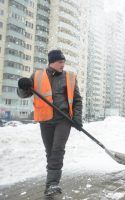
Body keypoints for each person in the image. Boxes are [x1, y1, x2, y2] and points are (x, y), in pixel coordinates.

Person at [17, 50, 83, 196]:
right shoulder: (38, 76)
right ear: (51, 62)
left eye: (64, 62)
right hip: (45, 119)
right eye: (60, 62)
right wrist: (22, 86)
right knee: (50, 151)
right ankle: (50, 183)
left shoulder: (69, 77)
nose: (63, 65)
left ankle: (53, 183)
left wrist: (77, 118)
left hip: (63, 119)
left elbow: (77, 100)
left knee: (58, 149)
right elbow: (24, 94)